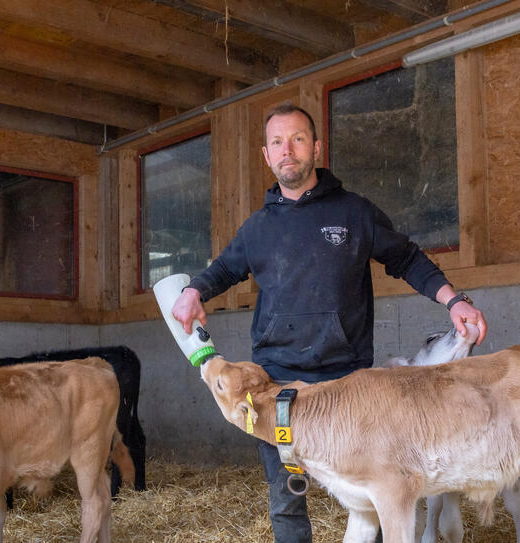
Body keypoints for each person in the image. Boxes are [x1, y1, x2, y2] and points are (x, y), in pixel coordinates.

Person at [171, 103, 488, 542]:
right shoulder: (258, 228)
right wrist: (193, 291)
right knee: (286, 499)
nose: (288, 150)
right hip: (277, 384)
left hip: (346, 381)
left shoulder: (354, 213)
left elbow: (406, 258)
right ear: (266, 156)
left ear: (316, 148)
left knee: (371, 496)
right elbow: (224, 268)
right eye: (277, 142)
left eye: (298, 139)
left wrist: (454, 301)